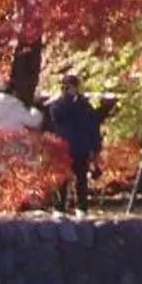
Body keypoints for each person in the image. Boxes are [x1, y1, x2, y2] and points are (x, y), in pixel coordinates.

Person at [43, 70, 104, 211]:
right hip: (62, 148)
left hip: (80, 147)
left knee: (81, 179)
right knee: (61, 179)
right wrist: (67, 99)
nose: (66, 89)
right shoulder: (58, 105)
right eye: (64, 86)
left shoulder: (85, 106)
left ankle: (81, 207)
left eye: (69, 86)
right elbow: (55, 116)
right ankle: (60, 207)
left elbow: (92, 127)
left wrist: (96, 148)